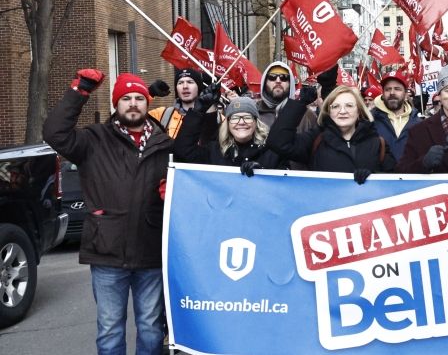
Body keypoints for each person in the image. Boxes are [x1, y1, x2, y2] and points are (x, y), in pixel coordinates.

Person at [43, 70, 171, 355]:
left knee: (151, 327)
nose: (134, 103)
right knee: (110, 327)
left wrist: (172, 192)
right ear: (117, 104)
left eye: (139, 98)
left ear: (147, 103)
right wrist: (80, 91)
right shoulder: (93, 139)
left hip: (150, 250)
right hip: (106, 249)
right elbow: (54, 133)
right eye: (126, 98)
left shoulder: (164, 143)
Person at [267, 85, 395, 183]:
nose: (342, 111)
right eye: (335, 107)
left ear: (359, 111)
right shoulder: (316, 139)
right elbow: (278, 142)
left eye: (349, 106)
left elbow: (396, 182)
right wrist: (300, 103)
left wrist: (374, 177)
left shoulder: (378, 143)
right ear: (329, 111)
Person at [173, 86, 285, 175]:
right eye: (235, 118)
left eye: (247, 117)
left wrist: (263, 173)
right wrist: (198, 111)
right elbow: (183, 150)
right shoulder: (215, 151)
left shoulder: (272, 152)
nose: (241, 122)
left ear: (256, 122)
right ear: (228, 123)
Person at [371, 70, 422, 161]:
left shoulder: (419, 124)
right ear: (383, 94)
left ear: (406, 94)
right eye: (388, 89)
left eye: (397, 89)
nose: (392, 93)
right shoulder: (370, 121)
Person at [147, 68, 210, 138]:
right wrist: (148, 93)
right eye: (180, 83)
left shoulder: (214, 117)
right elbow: (134, 121)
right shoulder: (161, 114)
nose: (185, 86)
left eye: (190, 82)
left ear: (199, 87)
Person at [257, 61, 318, 132]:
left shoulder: (306, 115)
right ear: (265, 82)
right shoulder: (253, 114)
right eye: (272, 77)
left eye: (284, 77)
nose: (278, 81)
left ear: (290, 83)